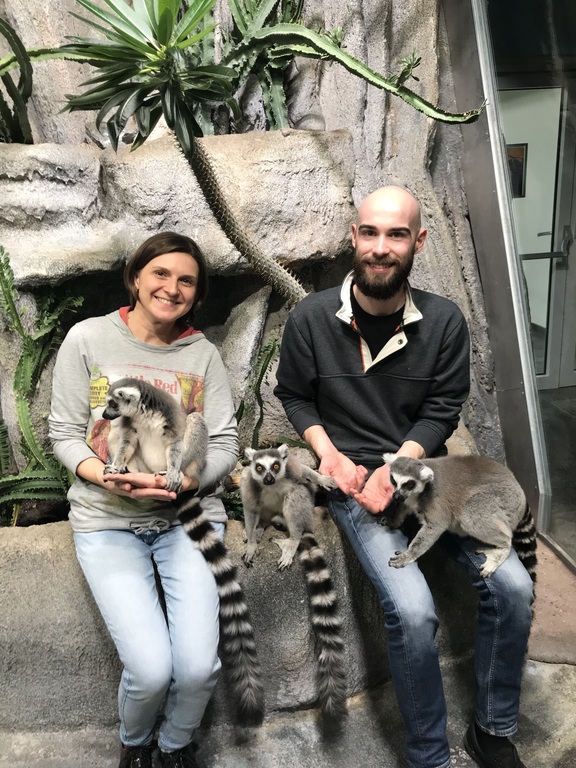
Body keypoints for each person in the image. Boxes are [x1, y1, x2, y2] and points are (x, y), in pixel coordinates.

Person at [274, 186, 534, 768]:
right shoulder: (312, 317)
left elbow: (443, 407)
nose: (381, 247)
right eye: (370, 233)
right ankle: (428, 756)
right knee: (413, 611)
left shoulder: (442, 321)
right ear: (353, 238)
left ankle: (491, 729)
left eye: (396, 235)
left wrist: (401, 464)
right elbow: (292, 393)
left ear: (418, 242)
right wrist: (330, 455)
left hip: (429, 476)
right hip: (353, 485)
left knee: (514, 587)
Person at [49, 232, 239, 768]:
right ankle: (136, 743)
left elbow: (221, 440)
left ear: (196, 295)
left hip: (186, 517)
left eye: (186, 281)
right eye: (161, 274)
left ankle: (177, 744)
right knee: (152, 668)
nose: (171, 288)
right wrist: (102, 475)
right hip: (108, 519)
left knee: (199, 667)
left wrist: (189, 481)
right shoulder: (88, 339)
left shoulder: (201, 354)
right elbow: (64, 430)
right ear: (136, 277)